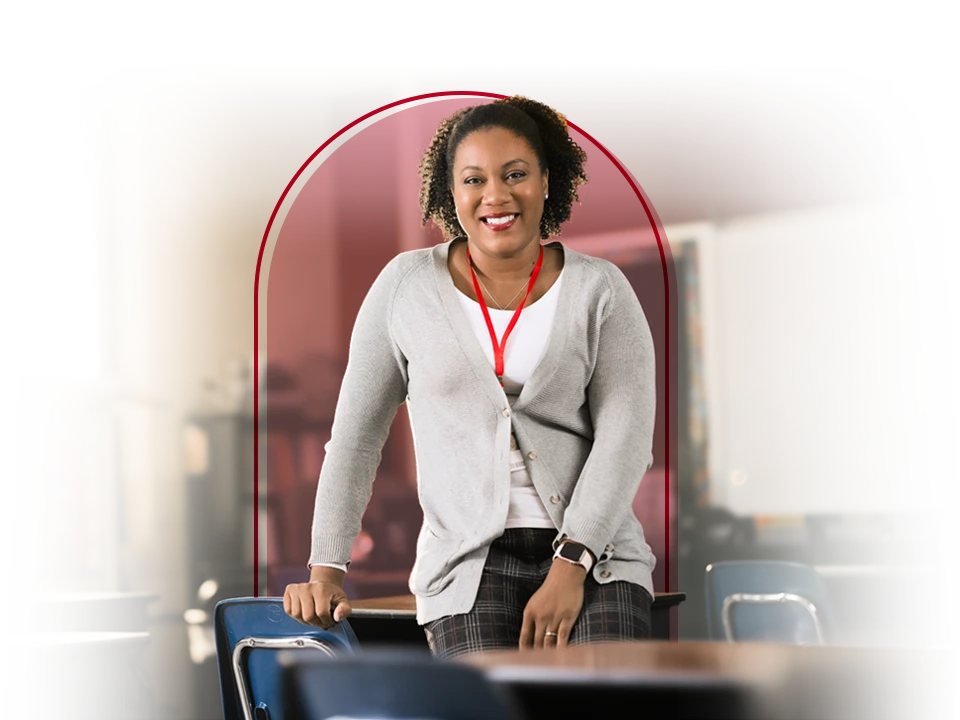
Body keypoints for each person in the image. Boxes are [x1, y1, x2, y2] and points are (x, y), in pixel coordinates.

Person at [284, 94, 657, 659]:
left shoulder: (601, 290)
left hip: (597, 558)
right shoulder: (405, 288)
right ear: (450, 192)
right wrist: (326, 568)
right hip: (466, 564)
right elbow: (357, 438)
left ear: (547, 181)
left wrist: (569, 567)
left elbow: (625, 441)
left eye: (515, 175)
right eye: (474, 179)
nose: (496, 196)